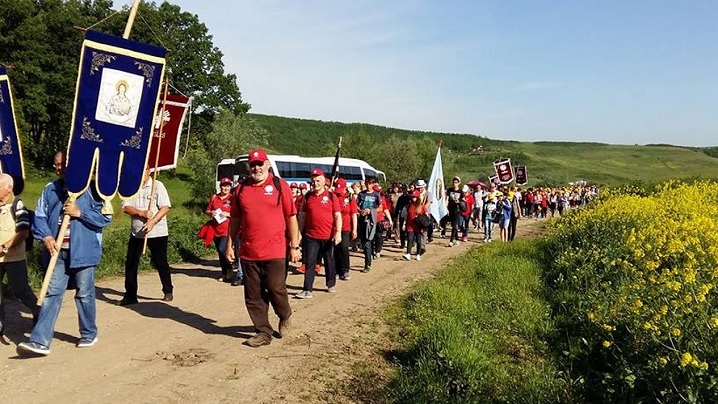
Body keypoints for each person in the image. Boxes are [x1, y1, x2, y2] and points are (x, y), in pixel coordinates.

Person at [17, 151, 112, 356]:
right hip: (56, 252)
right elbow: (40, 216)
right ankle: (40, 341)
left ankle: (88, 333)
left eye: (62, 164)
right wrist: (47, 237)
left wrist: (80, 213)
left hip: (84, 252)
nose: (58, 168)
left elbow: (106, 218)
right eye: (56, 165)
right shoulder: (50, 189)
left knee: (84, 294)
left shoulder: (95, 190)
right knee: (52, 293)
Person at [226, 149, 300, 348]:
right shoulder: (241, 189)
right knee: (254, 294)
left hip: (275, 250)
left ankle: (285, 314)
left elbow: (291, 217)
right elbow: (235, 219)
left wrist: (295, 246)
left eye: (260, 164)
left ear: (267, 164)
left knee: (276, 287)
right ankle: (263, 331)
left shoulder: (279, 186)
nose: (256, 168)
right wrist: (230, 244)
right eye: (253, 165)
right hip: (249, 252)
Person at [119, 166, 173, 306]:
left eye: (144, 170)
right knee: (131, 263)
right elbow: (125, 207)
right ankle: (130, 295)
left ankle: (168, 290)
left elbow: (165, 207)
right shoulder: (131, 187)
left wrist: (153, 221)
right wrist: (140, 213)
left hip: (157, 232)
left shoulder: (157, 185)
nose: (140, 173)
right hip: (137, 232)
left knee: (160, 262)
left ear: (149, 171)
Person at [0, 173, 38, 337]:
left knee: (20, 289)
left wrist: (5, 246)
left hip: (14, 257)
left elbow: (23, 233)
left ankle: (39, 312)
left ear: (8, 188)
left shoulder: (17, 205)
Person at [295, 169, 342, 299]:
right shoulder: (308, 197)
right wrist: (299, 233)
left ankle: (330, 283)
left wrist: (338, 233)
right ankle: (307, 289)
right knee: (309, 262)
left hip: (327, 236)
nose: (315, 183)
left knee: (329, 261)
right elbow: (303, 216)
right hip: (311, 236)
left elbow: (337, 215)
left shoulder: (331, 196)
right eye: (313, 181)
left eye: (318, 181)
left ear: (323, 181)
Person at [206, 177, 241, 286]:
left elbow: (238, 213)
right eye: (223, 186)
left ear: (230, 187)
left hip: (228, 229)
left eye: (228, 186)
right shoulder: (214, 197)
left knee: (223, 249)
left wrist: (228, 214)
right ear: (220, 187)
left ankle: (230, 269)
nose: (225, 188)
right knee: (220, 252)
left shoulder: (233, 198)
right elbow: (207, 210)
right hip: (216, 228)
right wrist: (210, 213)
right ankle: (225, 273)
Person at [356, 176, 381, 272]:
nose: (368, 185)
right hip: (362, 220)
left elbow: (381, 207)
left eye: (370, 184)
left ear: (373, 184)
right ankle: (369, 258)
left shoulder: (376, 195)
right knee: (364, 242)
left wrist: (371, 211)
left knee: (368, 241)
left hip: (371, 221)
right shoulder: (361, 194)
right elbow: (356, 205)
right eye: (367, 184)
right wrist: (360, 211)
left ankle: (368, 264)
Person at [333, 178, 357, 281]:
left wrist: (354, 229)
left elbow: (354, 214)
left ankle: (345, 269)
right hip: (334, 228)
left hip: (346, 227)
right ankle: (337, 270)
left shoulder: (350, 197)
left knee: (344, 248)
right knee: (336, 249)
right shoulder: (332, 196)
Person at [402, 190, 427, 261]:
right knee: (410, 239)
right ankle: (408, 254)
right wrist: (404, 223)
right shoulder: (409, 205)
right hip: (410, 225)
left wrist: (422, 221)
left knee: (418, 241)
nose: (413, 198)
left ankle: (418, 254)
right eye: (412, 197)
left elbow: (425, 214)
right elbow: (406, 215)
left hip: (418, 226)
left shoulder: (422, 206)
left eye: (415, 197)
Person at [445, 176, 464, 246]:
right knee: (453, 225)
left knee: (454, 225)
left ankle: (451, 240)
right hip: (450, 209)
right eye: (453, 182)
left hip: (457, 210)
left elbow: (463, 202)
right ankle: (456, 239)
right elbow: (447, 199)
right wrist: (446, 207)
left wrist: (459, 202)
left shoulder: (461, 192)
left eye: (456, 182)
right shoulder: (449, 190)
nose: (454, 183)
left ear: (459, 183)